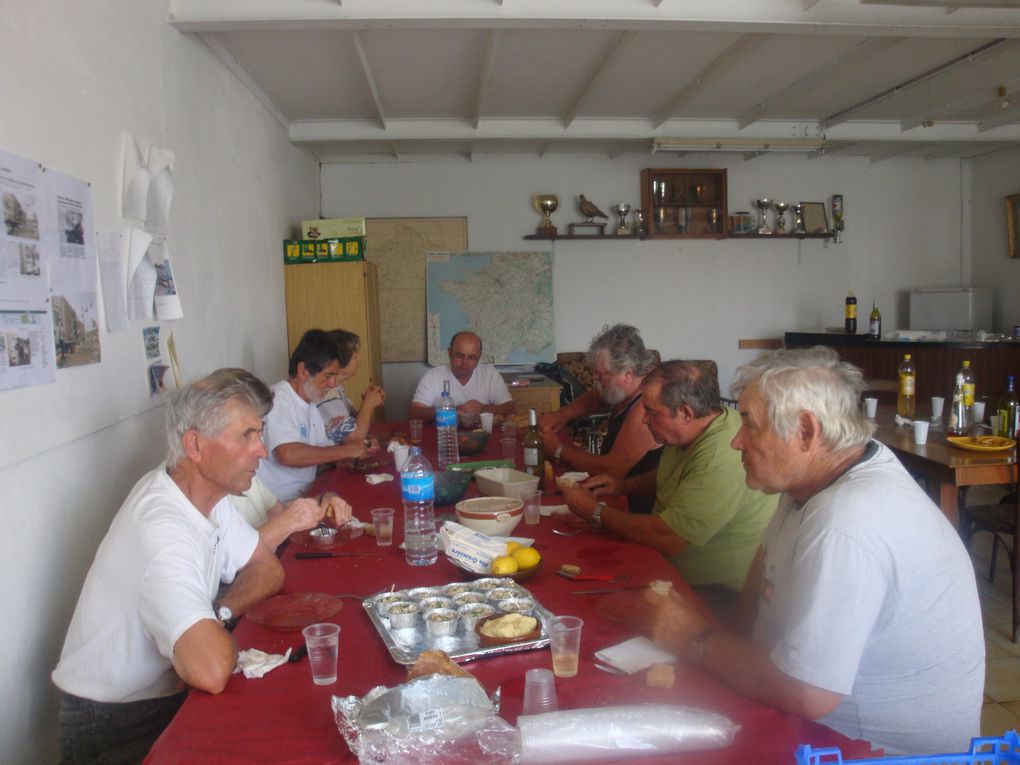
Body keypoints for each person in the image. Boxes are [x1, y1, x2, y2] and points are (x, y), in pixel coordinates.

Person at [644, 346, 985, 755]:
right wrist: (717, 633)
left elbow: (806, 694)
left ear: (805, 431)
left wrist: (695, 638)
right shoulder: (817, 477)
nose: (736, 441)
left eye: (750, 424)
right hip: (825, 726)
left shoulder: (847, 522)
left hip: (874, 752)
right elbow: (763, 568)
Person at [52, 368, 313, 764]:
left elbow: (267, 567)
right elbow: (209, 669)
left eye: (259, 433)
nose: (262, 449)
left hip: (162, 695)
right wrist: (208, 637)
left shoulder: (210, 496)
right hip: (114, 719)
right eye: (247, 435)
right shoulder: (162, 530)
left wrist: (218, 614)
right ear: (195, 445)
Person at [561, 360, 776, 613]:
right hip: (667, 568)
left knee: (586, 609)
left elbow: (670, 537)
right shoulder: (691, 429)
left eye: (652, 412)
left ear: (685, 413)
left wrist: (596, 512)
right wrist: (623, 486)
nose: (644, 420)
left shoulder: (720, 458)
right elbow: (669, 475)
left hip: (716, 591)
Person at [539, 324, 661, 512]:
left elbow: (612, 470)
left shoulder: (643, 410)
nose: (594, 378)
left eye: (601, 374)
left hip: (635, 510)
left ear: (627, 374)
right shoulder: (624, 390)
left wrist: (558, 450)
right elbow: (596, 397)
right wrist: (561, 415)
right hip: (615, 496)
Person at [256, 329, 380, 501]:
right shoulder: (278, 399)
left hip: (310, 497)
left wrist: (358, 451)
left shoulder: (310, 406)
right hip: (282, 507)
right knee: (333, 526)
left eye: (335, 376)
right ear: (303, 371)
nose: (333, 384)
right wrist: (347, 450)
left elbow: (324, 452)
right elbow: (288, 454)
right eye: (328, 376)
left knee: (360, 513)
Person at [409, 331, 515, 422]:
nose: (465, 362)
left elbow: (510, 409)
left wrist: (483, 408)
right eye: (460, 356)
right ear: (450, 353)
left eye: (472, 357)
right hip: (444, 436)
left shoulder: (490, 374)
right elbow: (414, 413)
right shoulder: (433, 376)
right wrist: (448, 411)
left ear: (479, 358)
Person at [317, 329, 385, 446]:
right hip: (329, 461)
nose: (359, 359)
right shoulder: (326, 393)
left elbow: (355, 425)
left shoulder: (336, 389)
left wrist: (367, 403)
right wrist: (368, 404)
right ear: (338, 361)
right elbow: (353, 439)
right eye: (355, 356)